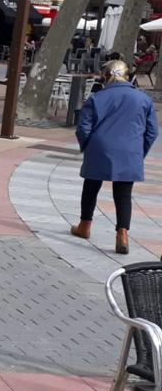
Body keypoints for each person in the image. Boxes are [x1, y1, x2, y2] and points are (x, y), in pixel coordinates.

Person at [71, 60, 158, 255]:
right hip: (129, 149)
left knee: (91, 187)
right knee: (123, 194)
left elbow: (83, 128)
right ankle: (122, 233)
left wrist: (87, 147)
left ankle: (85, 225)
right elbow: (152, 132)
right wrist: (138, 152)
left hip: (100, 147)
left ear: (107, 76)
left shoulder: (97, 98)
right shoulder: (143, 99)